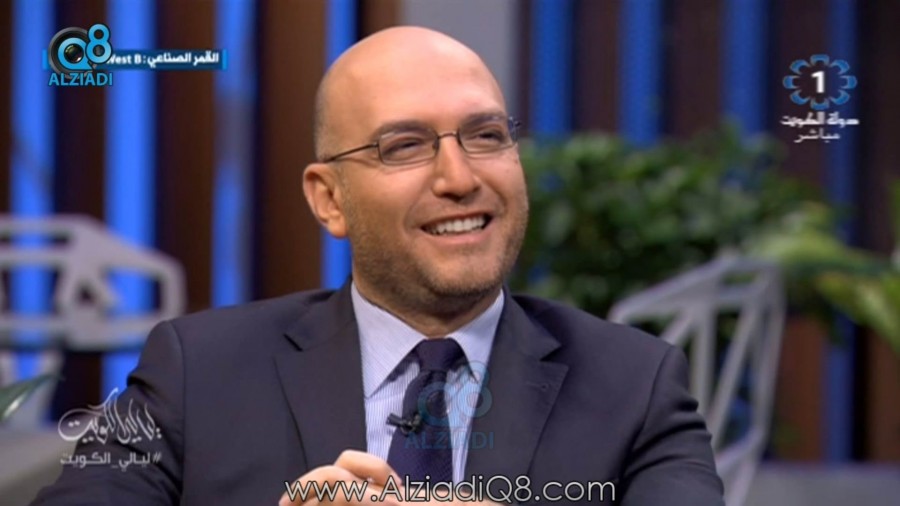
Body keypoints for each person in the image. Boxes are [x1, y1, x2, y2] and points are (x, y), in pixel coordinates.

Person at [32, 26, 724, 505]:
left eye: (486, 135)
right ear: (329, 199)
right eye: (404, 147)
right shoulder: (196, 371)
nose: (459, 178)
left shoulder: (637, 385)